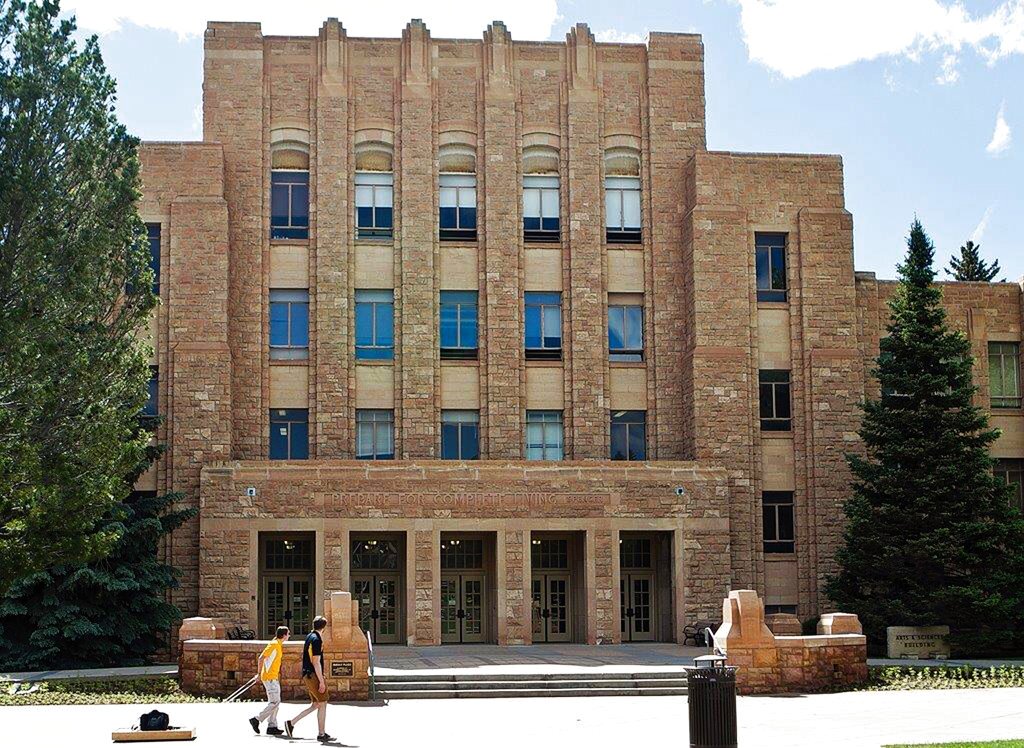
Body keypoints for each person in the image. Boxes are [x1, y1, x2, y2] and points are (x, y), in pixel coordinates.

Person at [285, 616, 332, 742]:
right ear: (324, 627)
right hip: (313, 675)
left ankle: (291, 723)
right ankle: (321, 734)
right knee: (322, 703)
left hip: (308, 674)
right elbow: (316, 662)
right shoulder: (317, 640)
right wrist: (321, 681)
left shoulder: (309, 636)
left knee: (316, 704)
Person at [249, 625, 289, 735]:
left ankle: (272, 726)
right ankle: (256, 719)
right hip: (270, 678)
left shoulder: (277, 644)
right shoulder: (274, 644)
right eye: (288, 634)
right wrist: (258, 674)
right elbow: (261, 657)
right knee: (275, 702)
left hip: (273, 677)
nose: (289, 636)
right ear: (284, 635)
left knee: (275, 702)